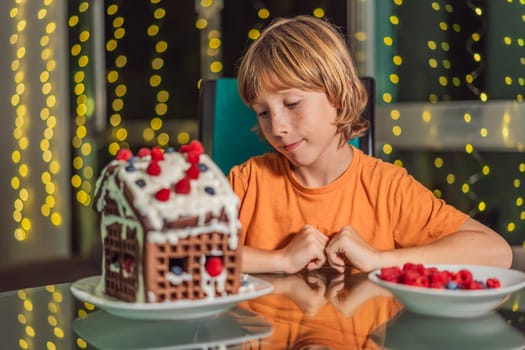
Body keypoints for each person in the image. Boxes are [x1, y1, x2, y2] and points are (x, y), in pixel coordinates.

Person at [228, 15, 512, 274]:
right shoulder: (246, 182)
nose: (277, 127)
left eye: (292, 103)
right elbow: (190, 255)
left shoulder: (387, 189)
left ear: (340, 96)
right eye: (263, 112)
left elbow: (495, 252)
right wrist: (281, 260)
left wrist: (377, 259)